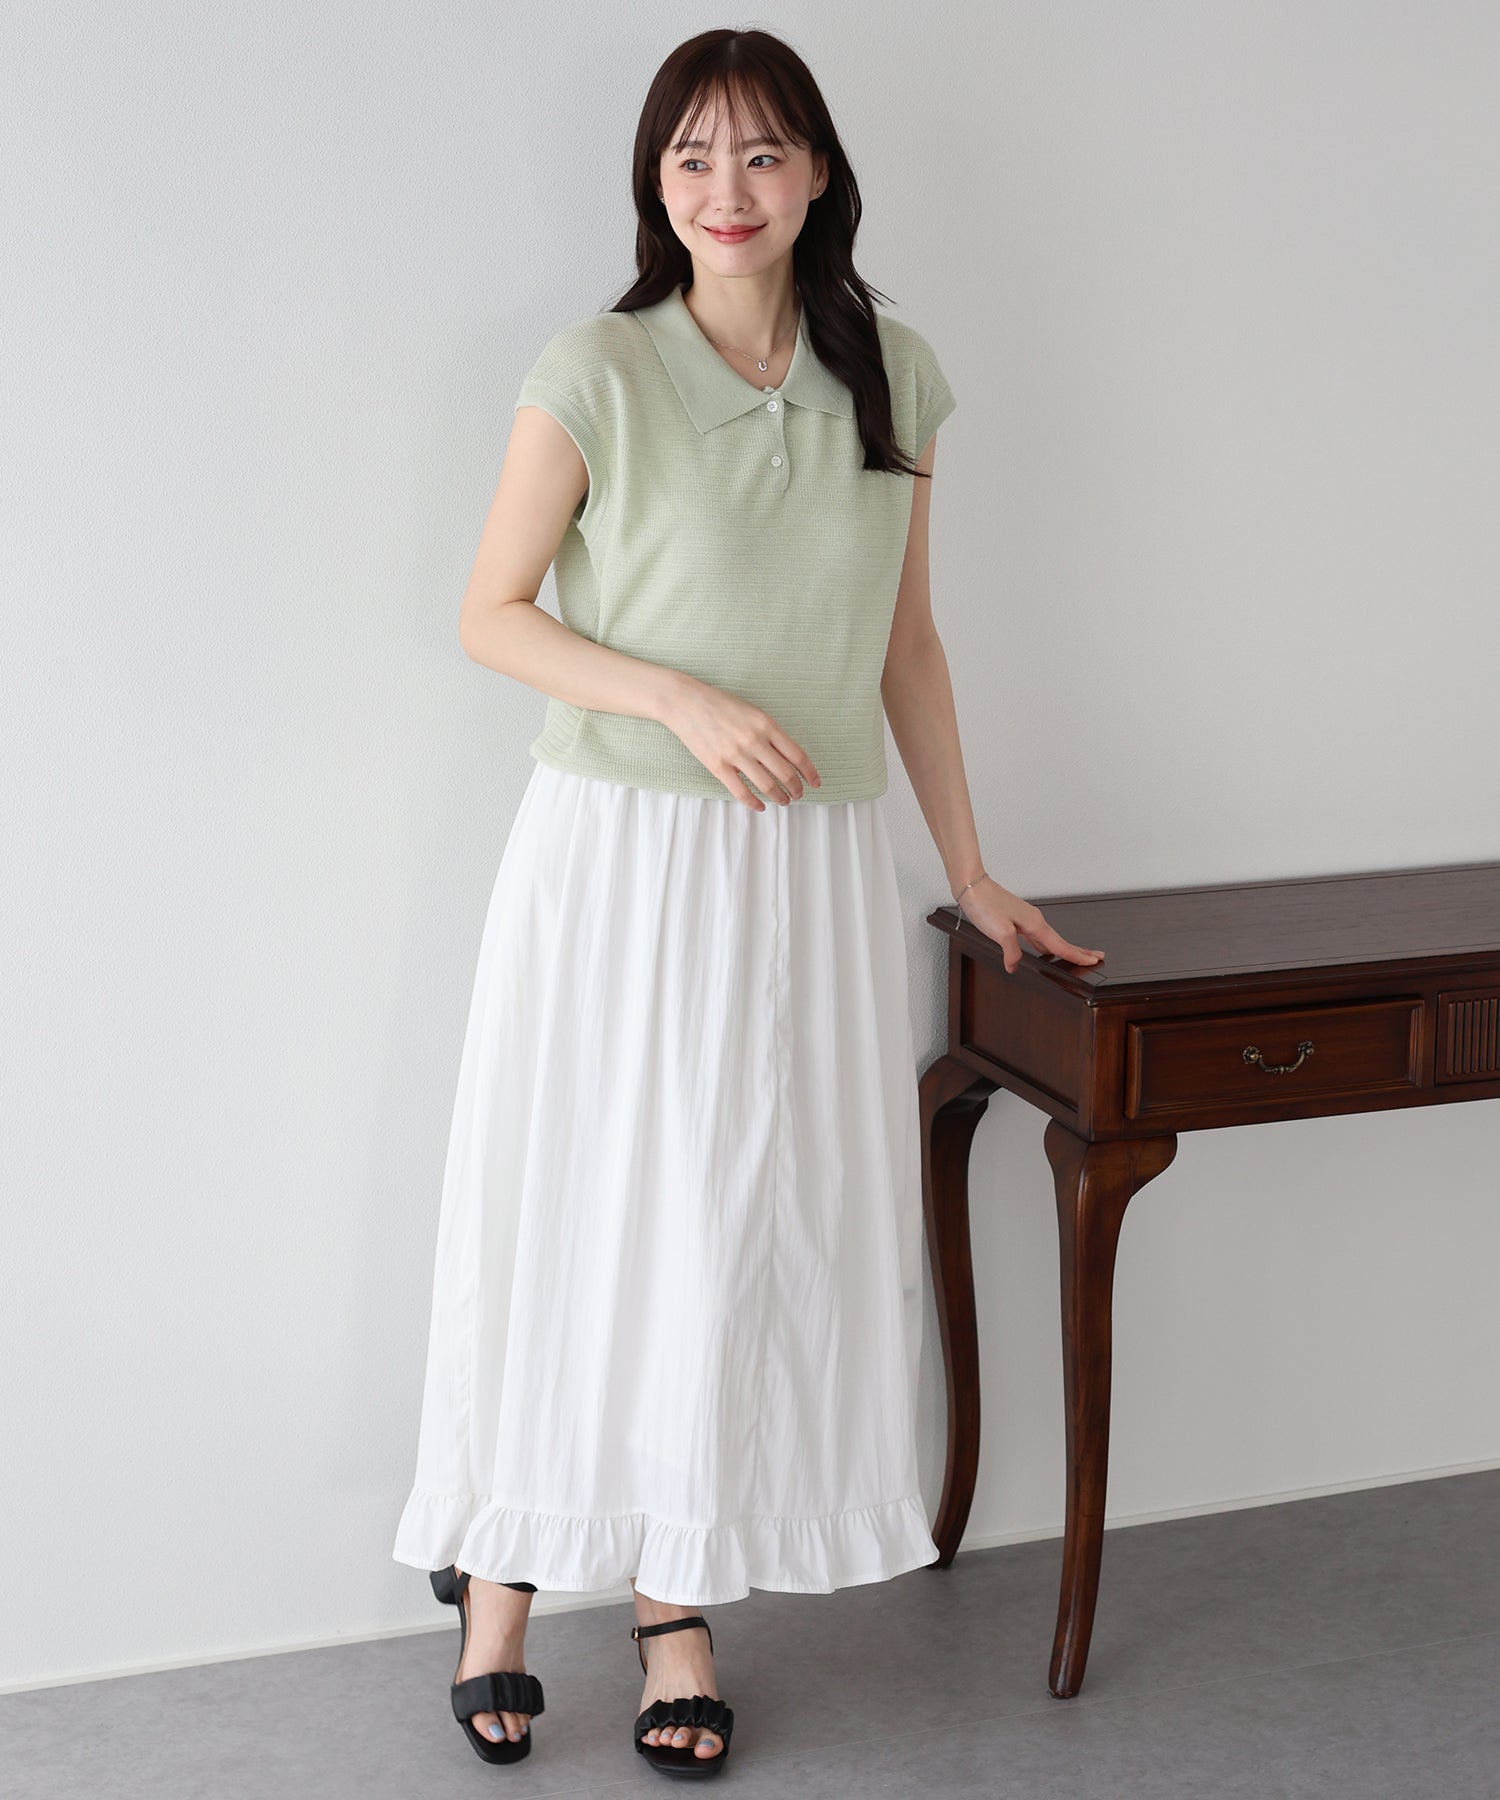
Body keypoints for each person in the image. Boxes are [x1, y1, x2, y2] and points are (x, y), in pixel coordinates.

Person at [391, 25, 1105, 1778]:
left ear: (820, 175)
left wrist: (971, 867)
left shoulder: (895, 374)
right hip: (622, 857)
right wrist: (679, 700)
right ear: (656, 181)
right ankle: (502, 1576)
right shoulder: (597, 368)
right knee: (580, 1207)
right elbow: (491, 612)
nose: (730, 189)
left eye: (765, 154)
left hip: (805, 866)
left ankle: (675, 1599)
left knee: (730, 1227)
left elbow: (907, 646)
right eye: (695, 156)